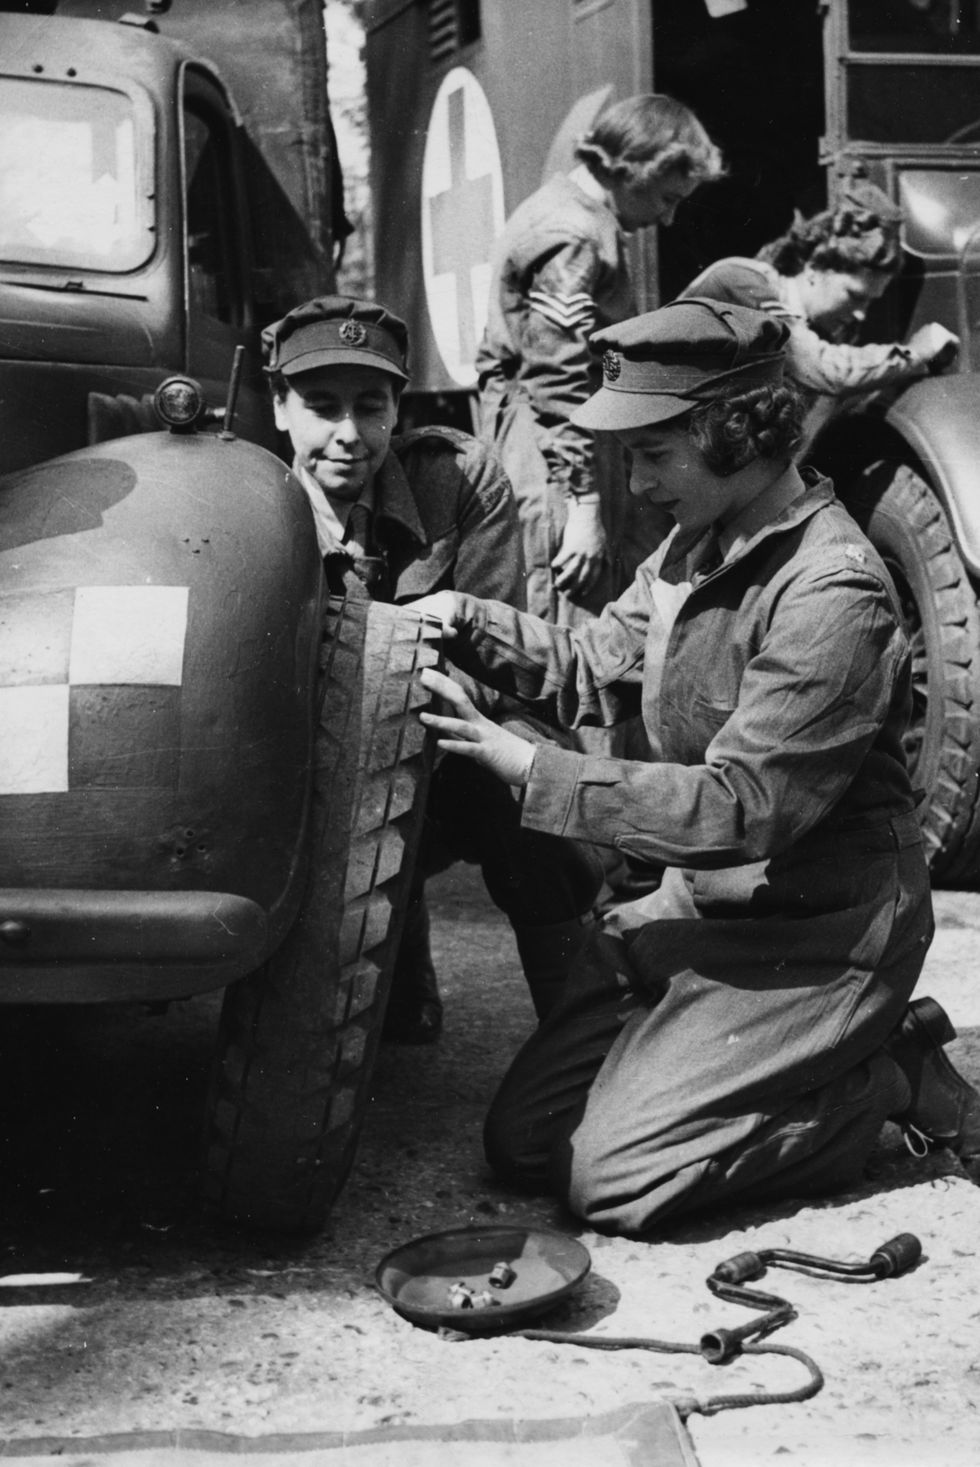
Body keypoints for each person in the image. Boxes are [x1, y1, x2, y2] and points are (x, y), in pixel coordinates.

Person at [412, 297, 980, 1235]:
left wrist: (529, 767)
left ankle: (882, 1077)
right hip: (704, 907)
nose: (636, 485)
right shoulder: (696, 546)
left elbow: (744, 808)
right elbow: (594, 663)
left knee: (615, 1182)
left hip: (819, 931)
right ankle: (730, 1064)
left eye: (653, 454)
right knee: (526, 1143)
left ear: (736, 433)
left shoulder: (833, 589)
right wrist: (467, 620)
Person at [262, 296, 603, 1044]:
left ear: (397, 408)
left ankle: (581, 1048)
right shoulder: (249, 503)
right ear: (279, 407)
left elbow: (496, 655)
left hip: (437, 737)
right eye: (321, 406)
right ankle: (395, 950)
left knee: (529, 795)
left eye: (370, 406)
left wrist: (399, 711)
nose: (348, 434)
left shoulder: (455, 478)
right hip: (305, 762)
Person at [475, 93, 724, 627]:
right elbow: (558, 380)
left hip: (570, 450)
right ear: (632, 170)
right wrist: (584, 506)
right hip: (556, 460)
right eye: (666, 198)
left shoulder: (576, 217)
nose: (668, 217)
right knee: (565, 626)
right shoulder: (574, 235)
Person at [680, 179, 959, 453]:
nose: (861, 314)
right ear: (814, 268)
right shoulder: (740, 282)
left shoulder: (815, 331)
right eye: (854, 296)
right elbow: (824, 369)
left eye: (870, 302)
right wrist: (915, 353)